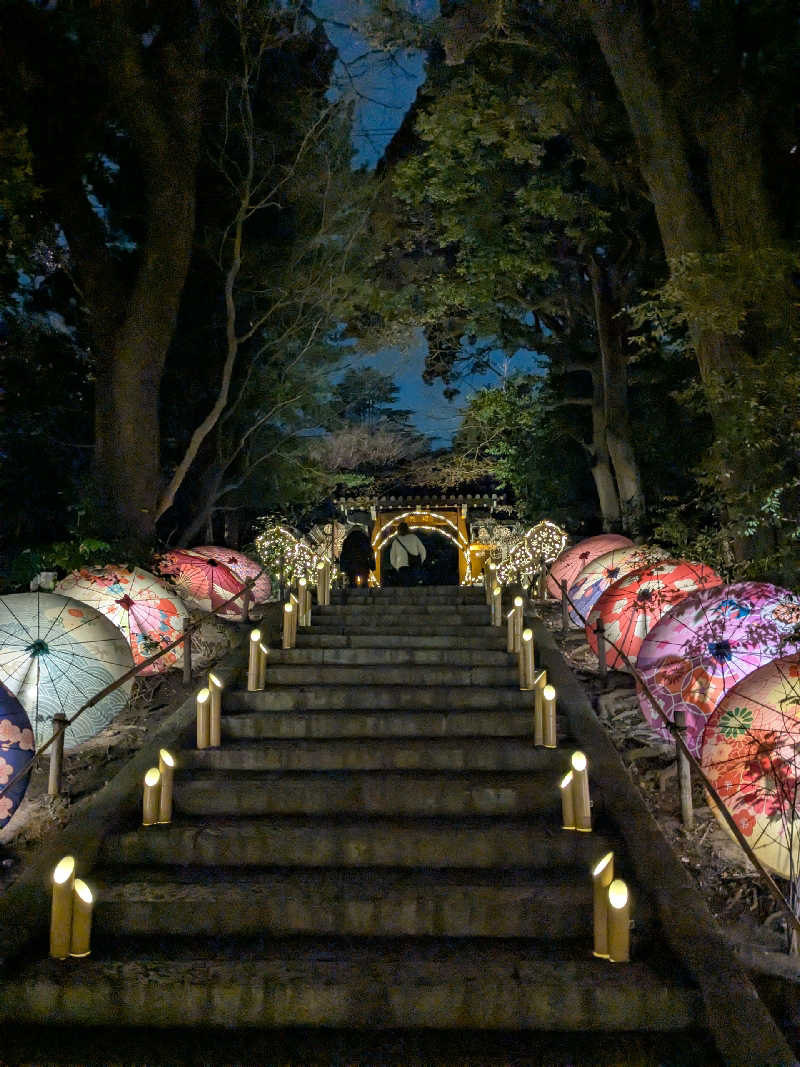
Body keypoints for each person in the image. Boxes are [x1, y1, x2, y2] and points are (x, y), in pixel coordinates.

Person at [389, 521, 427, 586]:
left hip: (402, 567)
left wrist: (397, 566)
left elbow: (392, 558)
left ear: (399, 530)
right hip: (414, 564)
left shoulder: (396, 541)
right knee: (414, 585)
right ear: (408, 529)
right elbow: (423, 551)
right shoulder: (414, 537)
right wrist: (420, 561)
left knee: (404, 586)